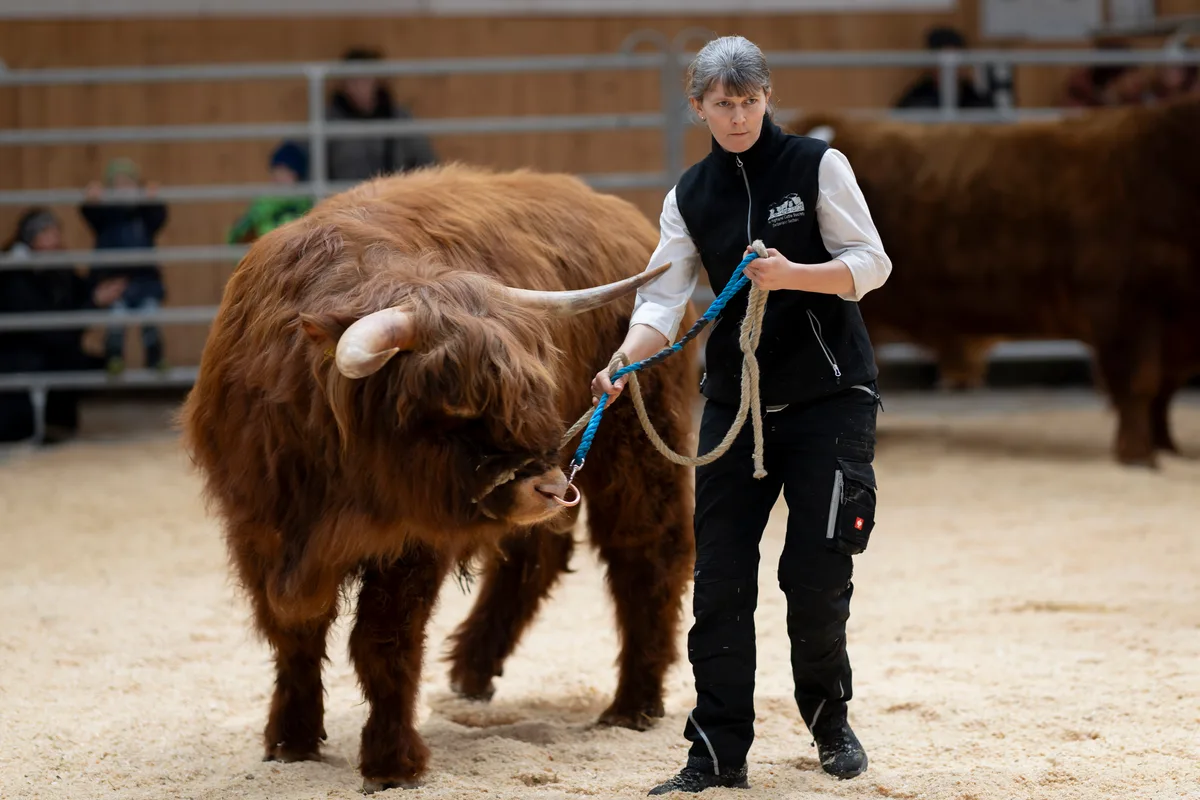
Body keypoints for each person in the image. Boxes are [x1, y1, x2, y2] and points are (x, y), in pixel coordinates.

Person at [590, 35, 892, 794]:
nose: (737, 116)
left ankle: (830, 721)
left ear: (767, 98)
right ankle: (717, 755)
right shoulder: (688, 194)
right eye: (721, 104)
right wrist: (629, 354)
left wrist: (795, 275)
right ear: (698, 106)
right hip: (734, 407)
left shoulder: (818, 167)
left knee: (814, 575)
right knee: (720, 581)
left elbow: (871, 263)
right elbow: (664, 297)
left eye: (749, 101)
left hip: (829, 400)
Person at [0, 208, 126, 443]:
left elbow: (81, 290)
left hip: (51, 349)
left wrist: (102, 287)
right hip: (23, 357)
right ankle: (40, 426)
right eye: (49, 233)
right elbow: (49, 331)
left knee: (97, 362)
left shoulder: (56, 267)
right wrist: (94, 303)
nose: (57, 239)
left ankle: (56, 423)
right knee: (72, 362)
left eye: (57, 232)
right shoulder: (15, 277)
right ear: (32, 238)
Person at [79, 157, 169, 373]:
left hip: (144, 279)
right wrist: (91, 200)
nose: (123, 189)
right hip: (115, 279)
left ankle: (155, 359)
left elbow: (159, 217)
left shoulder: (143, 215)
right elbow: (90, 214)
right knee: (116, 321)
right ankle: (114, 358)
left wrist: (153, 200)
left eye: (128, 183)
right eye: (117, 184)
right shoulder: (106, 216)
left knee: (150, 318)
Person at [325, 47, 438, 183]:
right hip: (345, 198)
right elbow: (307, 161)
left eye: (366, 79)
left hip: (392, 197)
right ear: (343, 84)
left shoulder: (399, 117)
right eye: (353, 80)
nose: (359, 87)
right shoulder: (328, 120)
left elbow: (427, 163)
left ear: (377, 81)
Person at [228, 140, 314, 244]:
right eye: (275, 170)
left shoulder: (305, 206)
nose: (278, 176)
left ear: (296, 175)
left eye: (284, 171)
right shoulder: (262, 205)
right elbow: (236, 236)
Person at [895, 26, 995, 110]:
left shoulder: (974, 97)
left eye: (957, 62)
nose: (951, 70)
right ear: (930, 64)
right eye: (942, 64)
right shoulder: (917, 99)